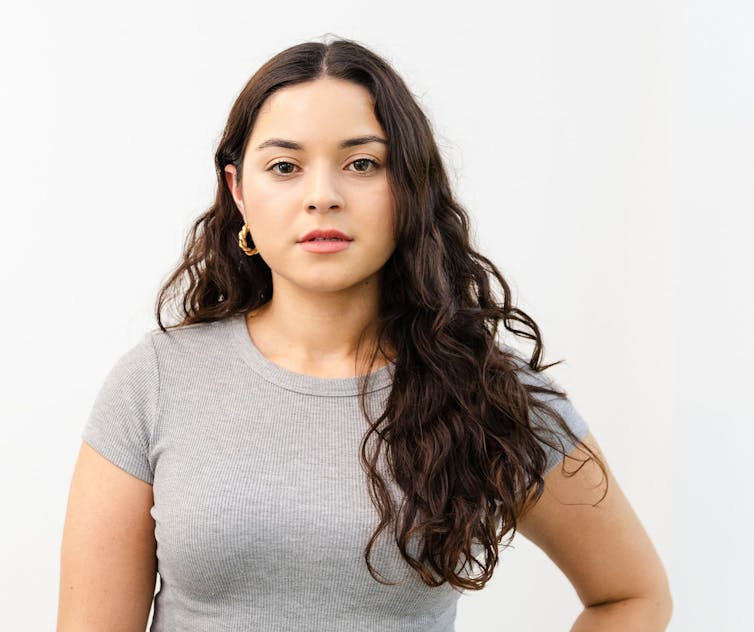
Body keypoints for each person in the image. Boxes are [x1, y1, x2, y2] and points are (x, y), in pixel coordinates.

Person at [57, 37, 672, 631]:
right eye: (284, 166)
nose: (322, 196)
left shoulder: (486, 390)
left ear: (408, 187)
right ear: (238, 190)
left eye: (361, 164)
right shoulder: (157, 381)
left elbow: (631, 596)